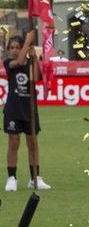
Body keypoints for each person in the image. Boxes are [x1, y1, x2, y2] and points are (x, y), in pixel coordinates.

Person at [3, 30, 45, 192]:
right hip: (13, 109)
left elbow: (35, 77)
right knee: (14, 142)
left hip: (30, 110)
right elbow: (19, 62)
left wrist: (34, 57)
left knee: (32, 143)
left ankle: (35, 178)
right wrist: (28, 41)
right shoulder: (10, 63)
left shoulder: (29, 62)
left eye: (17, 47)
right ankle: (12, 178)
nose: (14, 50)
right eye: (12, 47)